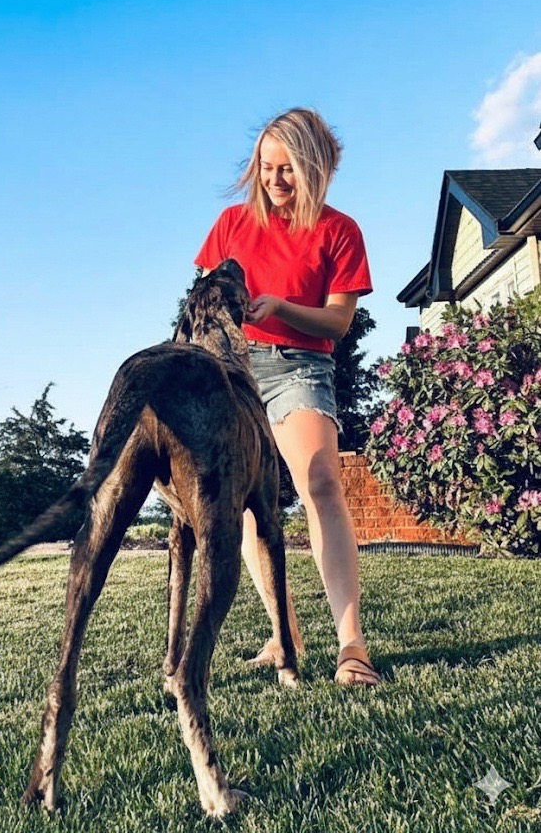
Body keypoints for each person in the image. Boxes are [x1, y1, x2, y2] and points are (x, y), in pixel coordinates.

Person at [194, 107, 379, 687]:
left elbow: (337, 322)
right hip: (235, 370)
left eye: (289, 169)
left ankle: (352, 646)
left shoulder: (339, 231)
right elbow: (203, 302)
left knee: (321, 481)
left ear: (316, 169)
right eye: (266, 167)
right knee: (248, 503)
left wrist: (276, 306)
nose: (275, 180)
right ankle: (284, 634)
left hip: (301, 365)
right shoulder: (230, 223)